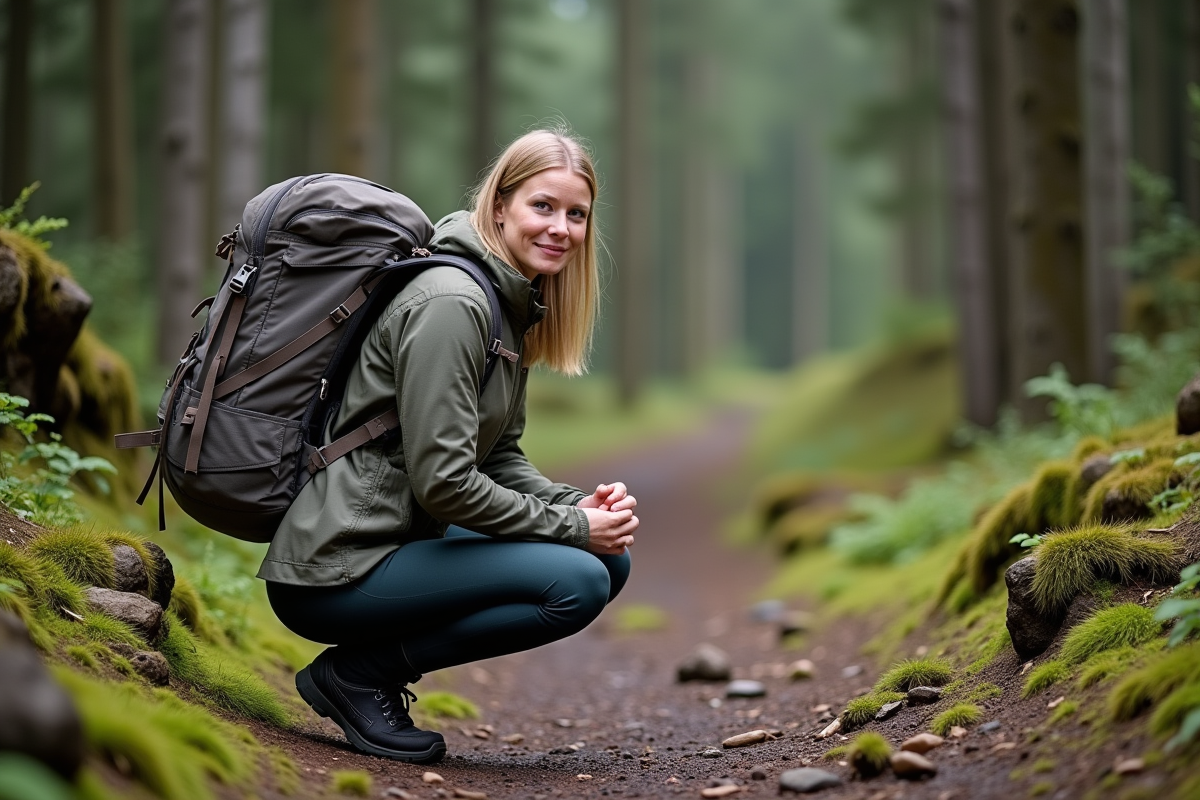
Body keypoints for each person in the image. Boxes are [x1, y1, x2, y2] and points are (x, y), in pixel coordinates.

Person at [257, 128, 638, 764]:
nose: (561, 228)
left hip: (398, 541)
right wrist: (572, 527)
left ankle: (360, 673)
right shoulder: (453, 304)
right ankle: (357, 677)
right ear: (499, 208)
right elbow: (445, 484)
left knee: (609, 562)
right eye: (542, 206)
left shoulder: (506, 299)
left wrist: (578, 505)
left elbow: (498, 456)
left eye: (577, 214)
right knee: (577, 581)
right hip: (338, 562)